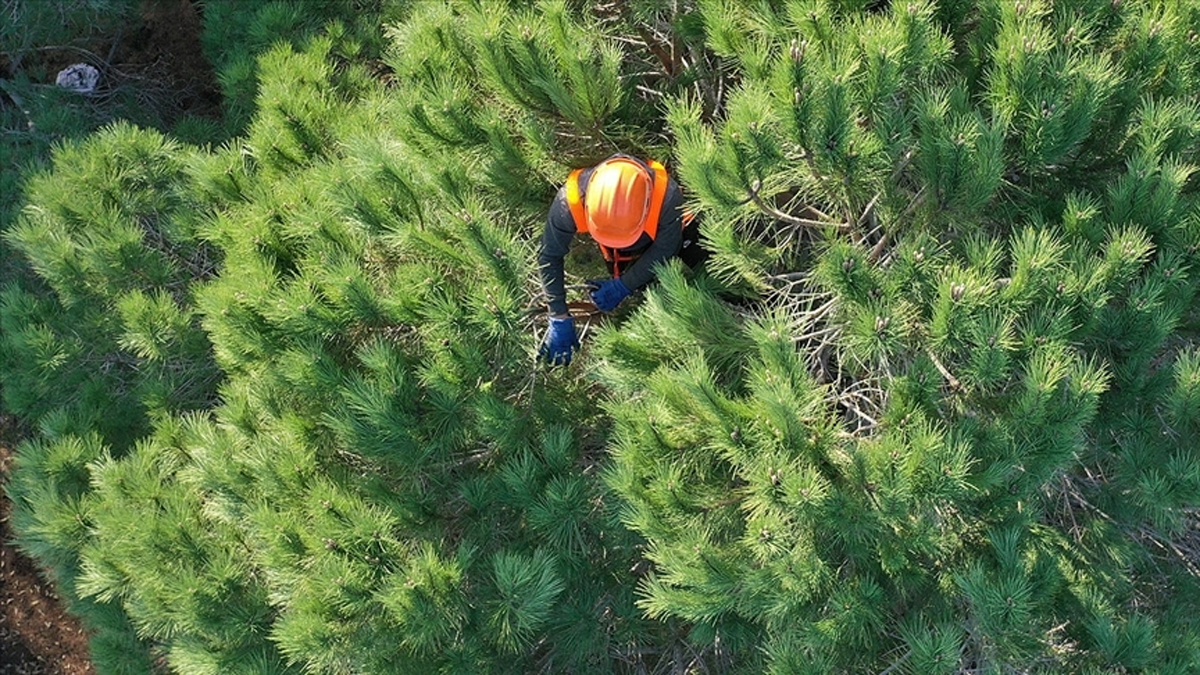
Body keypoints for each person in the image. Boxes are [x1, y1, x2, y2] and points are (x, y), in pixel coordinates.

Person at [538, 154, 702, 365]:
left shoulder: (667, 198)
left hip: (665, 233)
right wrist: (557, 314)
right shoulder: (569, 201)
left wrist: (624, 285)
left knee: (697, 250)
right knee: (642, 292)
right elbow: (549, 255)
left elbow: (665, 248)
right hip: (622, 236)